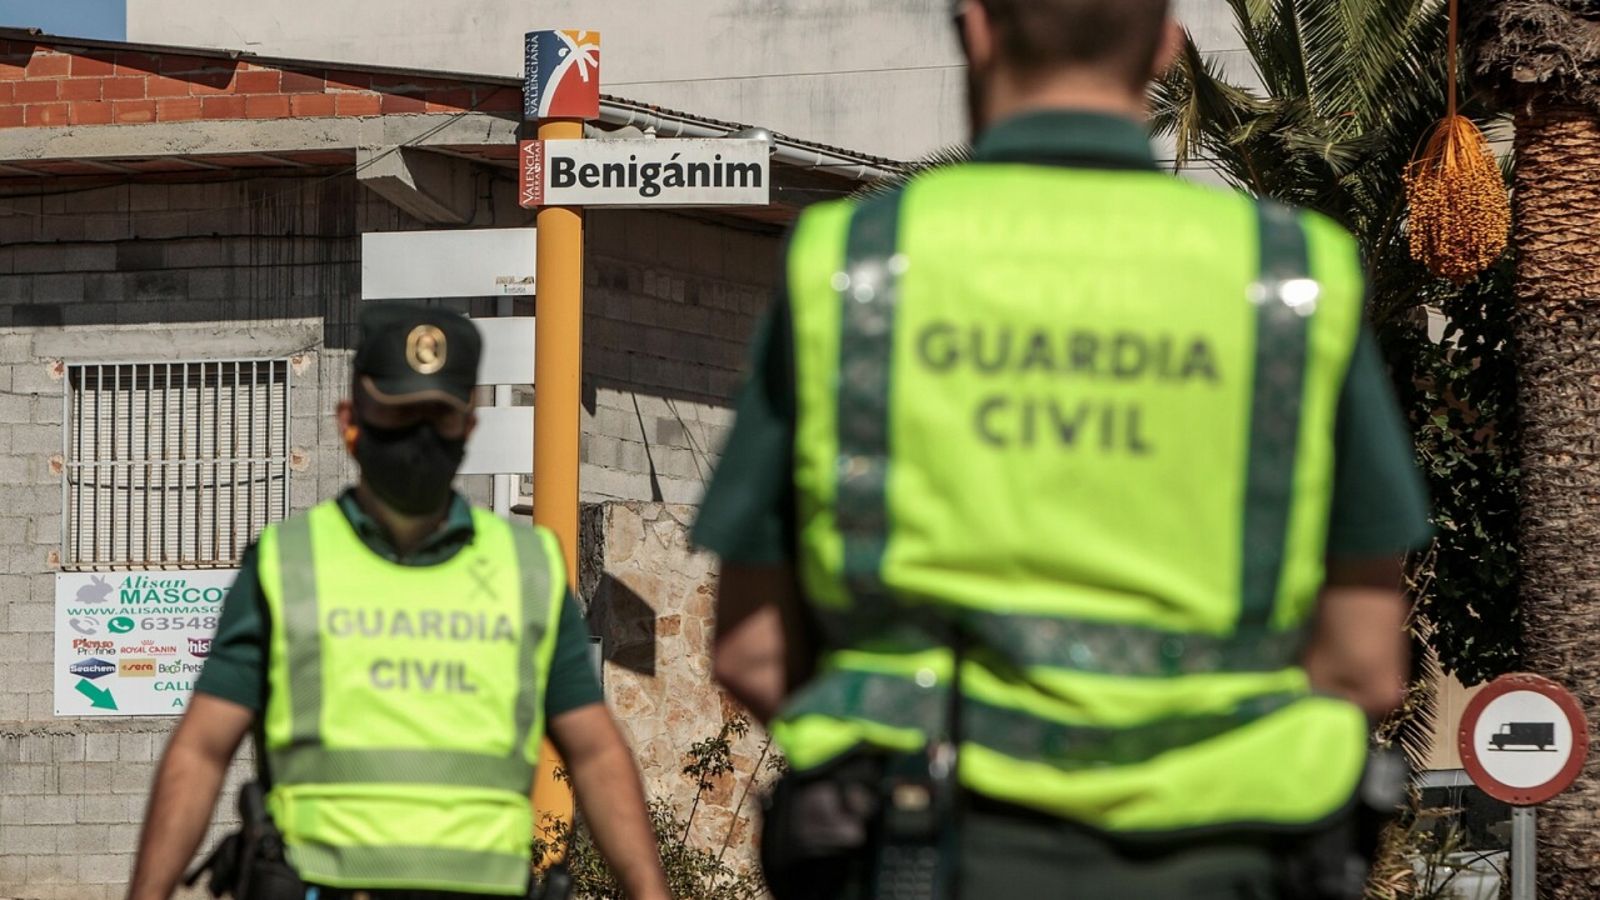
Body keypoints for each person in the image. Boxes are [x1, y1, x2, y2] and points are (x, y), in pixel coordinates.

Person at [695, 1, 1431, 897]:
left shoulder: (852, 265)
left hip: (918, 848)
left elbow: (752, 651)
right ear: (1166, 45)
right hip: (1227, 856)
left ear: (974, 29)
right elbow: (1364, 661)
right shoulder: (1289, 279)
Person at [126, 303, 669, 900]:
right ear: (350, 422)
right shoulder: (288, 563)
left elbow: (595, 753)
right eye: (397, 415)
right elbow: (202, 750)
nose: (417, 437)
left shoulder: (528, 572)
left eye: (437, 417)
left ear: (468, 429)